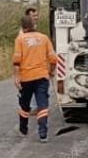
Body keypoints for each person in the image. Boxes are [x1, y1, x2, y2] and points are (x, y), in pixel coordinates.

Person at [12, 14, 58, 142]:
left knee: (24, 105)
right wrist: (51, 72)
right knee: (42, 104)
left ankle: (23, 129)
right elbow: (53, 59)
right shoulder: (44, 38)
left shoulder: (20, 39)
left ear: (22, 27)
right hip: (42, 76)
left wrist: (16, 77)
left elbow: (17, 61)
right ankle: (43, 134)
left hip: (26, 78)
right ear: (34, 25)